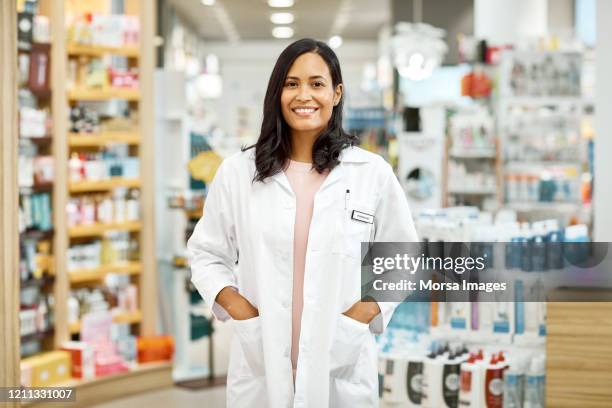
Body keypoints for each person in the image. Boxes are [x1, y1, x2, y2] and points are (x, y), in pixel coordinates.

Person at [187, 38, 418, 408]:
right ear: (277, 93)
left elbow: (403, 260)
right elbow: (206, 254)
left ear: (337, 93)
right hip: (261, 365)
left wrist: (362, 314)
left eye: (316, 83)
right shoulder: (238, 173)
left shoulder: (370, 173)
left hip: (340, 365)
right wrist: (241, 310)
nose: (303, 95)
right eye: (291, 84)